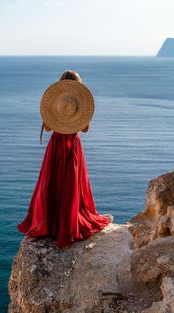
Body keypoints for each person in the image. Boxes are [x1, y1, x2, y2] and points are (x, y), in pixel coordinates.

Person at [18, 70, 110, 248]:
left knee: (52, 183)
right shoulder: (78, 104)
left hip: (56, 146)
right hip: (72, 146)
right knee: (71, 184)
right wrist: (75, 115)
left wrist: (56, 114)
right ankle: (67, 224)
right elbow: (84, 129)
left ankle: (50, 224)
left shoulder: (55, 103)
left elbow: (46, 128)